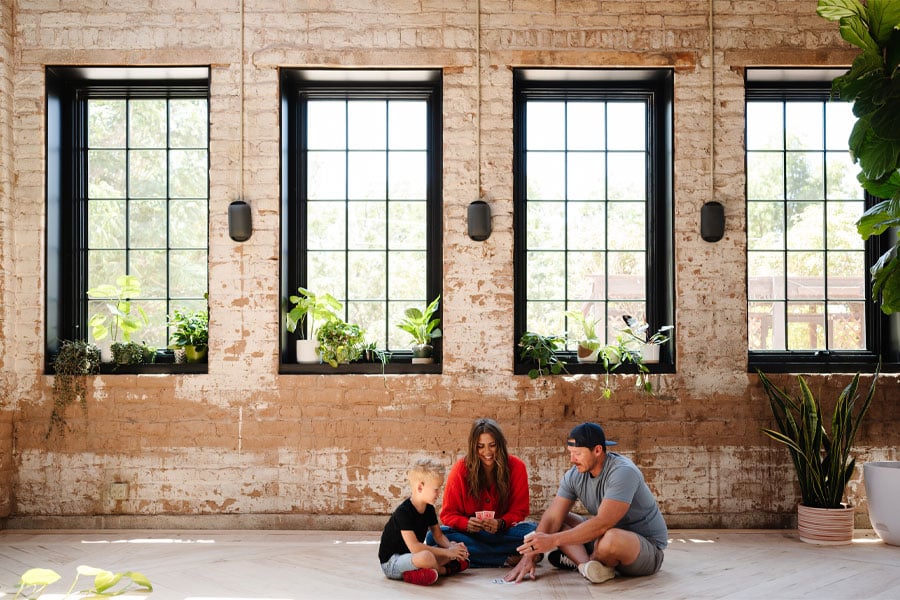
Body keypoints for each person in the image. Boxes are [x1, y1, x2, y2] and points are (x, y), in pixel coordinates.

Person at [505, 422, 667, 585]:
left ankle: (582, 561)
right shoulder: (575, 475)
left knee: (611, 539)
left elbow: (602, 524)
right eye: (570, 453)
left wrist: (553, 540)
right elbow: (553, 518)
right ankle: (586, 567)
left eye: (578, 453)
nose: (572, 459)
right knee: (561, 519)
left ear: (597, 450)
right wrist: (528, 558)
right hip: (602, 537)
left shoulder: (623, 472)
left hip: (644, 548)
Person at [427, 418, 538, 567]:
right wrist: (466, 524)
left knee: (535, 532)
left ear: (500, 444)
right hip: (470, 535)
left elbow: (520, 510)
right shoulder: (460, 469)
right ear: (473, 447)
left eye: (492, 445)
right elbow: (447, 514)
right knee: (433, 537)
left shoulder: (517, 467)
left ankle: (474, 556)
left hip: (502, 533)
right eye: (480, 446)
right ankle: (505, 558)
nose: (487, 452)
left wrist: (501, 522)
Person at [378, 458, 471, 586]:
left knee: (451, 545)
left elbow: (438, 536)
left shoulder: (429, 509)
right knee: (427, 556)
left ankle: (421, 573)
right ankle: (445, 570)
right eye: (436, 489)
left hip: (413, 557)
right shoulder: (403, 512)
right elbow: (415, 547)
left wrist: (452, 548)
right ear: (420, 487)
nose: (439, 493)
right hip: (393, 562)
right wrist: (448, 553)